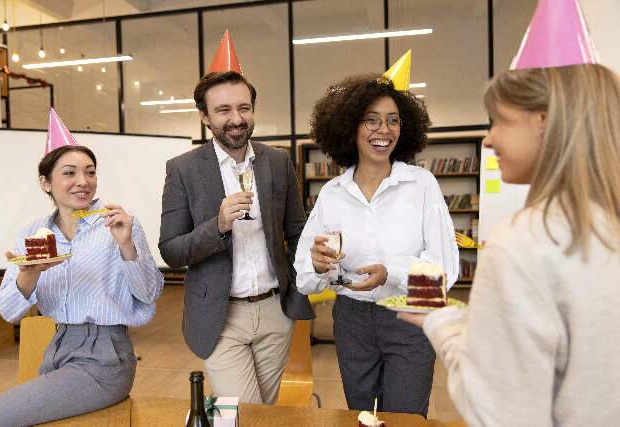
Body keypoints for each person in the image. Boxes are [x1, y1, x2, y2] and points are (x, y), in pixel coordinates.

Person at [399, 63, 620, 425]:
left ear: (544, 120)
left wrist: (443, 322)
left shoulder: (523, 242)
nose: (488, 139)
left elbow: (496, 411)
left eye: (499, 121)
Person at [0, 114, 164, 426]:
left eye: (90, 172)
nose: (83, 181)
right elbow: (7, 311)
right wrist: (30, 272)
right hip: (57, 351)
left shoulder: (118, 223)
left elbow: (149, 294)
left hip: (106, 358)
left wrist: (127, 246)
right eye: (70, 173)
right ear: (45, 182)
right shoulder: (33, 232)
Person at [294, 74, 459, 416]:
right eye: (370, 120)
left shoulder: (421, 185)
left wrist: (391, 273)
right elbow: (304, 277)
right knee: (362, 416)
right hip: (351, 320)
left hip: (409, 315)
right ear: (349, 127)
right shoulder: (332, 194)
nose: (383, 130)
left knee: (405, 417)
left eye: (392, 120)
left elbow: (446, 271)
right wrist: (319, 265)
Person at [159, 70, 314, 404]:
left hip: (276, 312)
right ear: (204, 116)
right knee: (246, 412)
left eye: (244, 108)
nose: (236, 119)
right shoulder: (183, 169)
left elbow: (298, 231)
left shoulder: (277, 161)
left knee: (264, 411)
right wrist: (216, 226)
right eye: (223, 110)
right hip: (219, 316)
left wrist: (294, 288)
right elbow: (171, 250)